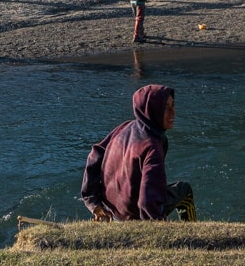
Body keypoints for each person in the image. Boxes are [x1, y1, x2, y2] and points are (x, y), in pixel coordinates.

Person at [81, 83, 196, 222]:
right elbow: (148, 201)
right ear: (152, 110)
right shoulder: (152, 147)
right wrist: (157, 225)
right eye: (165, 107)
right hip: (133, 216)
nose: (173, 112)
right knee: (185, 190)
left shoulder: (125, 127)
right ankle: (191, 229)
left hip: (111, 208)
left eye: (173, 105)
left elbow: (95, 154)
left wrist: (93, 202)